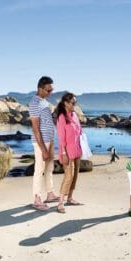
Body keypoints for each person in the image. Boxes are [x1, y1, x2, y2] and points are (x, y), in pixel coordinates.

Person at [29, 76, 59, 211]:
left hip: (50, 140)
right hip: (41, 143)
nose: (50, 93)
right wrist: (43, 149)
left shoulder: (45, 102)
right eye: (48, 90)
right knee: (39, 170)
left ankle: (50, 194)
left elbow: (47, 122)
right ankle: (36, 199)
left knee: (49, 168)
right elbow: (36, 129)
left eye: (51, 90)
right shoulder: (34, 103)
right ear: (40, 89)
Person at [55, 92, 84, 213]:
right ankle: (60, 202)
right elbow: (61, 139)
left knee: (75, 175)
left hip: (77, 149)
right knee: (68, 176)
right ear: (66, 103)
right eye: (72, 102)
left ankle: (70, 198)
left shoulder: (75, 115)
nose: (74, 105)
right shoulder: (61, 117)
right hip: (66, 152)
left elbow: (80, 131)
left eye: (75, 102)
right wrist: (63, 154)